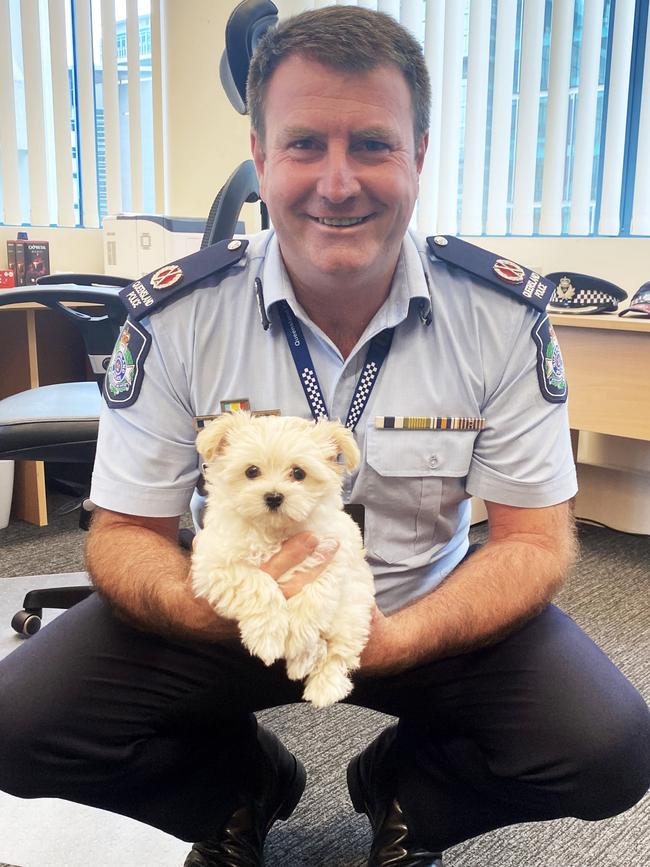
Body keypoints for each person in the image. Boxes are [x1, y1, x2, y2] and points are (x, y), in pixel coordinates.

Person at [0, 7, 648, 867]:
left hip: (423, 608)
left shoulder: (499, 315)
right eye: (304, 144)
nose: (337, 183)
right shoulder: (178, 314)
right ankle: (239, 790)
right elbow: (125, 536)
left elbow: (535, 540)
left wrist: (397, 639)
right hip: (233, 612)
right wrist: (234, 608)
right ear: (261, 158)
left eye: (373, 145)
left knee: (608, 747)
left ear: (418, 154)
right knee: (17, 726)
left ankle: (405, 791)